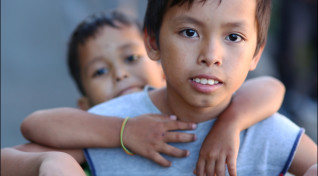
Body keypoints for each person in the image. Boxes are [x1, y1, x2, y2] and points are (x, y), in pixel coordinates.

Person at [2, 10, 286, 176]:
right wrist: (121, 132)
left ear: (159, 60)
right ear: (85, 104)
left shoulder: (194, 109)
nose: (120, 74)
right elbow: (30, 129)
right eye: (100, 72)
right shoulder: (94, 131)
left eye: (131, 58)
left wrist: (229, 125)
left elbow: (270, 88)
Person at [66, 1, 315, 175]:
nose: (211, 55)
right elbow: (31, 140)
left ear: (256, 54)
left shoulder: (267, 132)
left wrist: (230, 124)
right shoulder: (112, 123)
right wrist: (53, 163)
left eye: (233, 37)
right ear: (153, 41)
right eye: (189, 32)